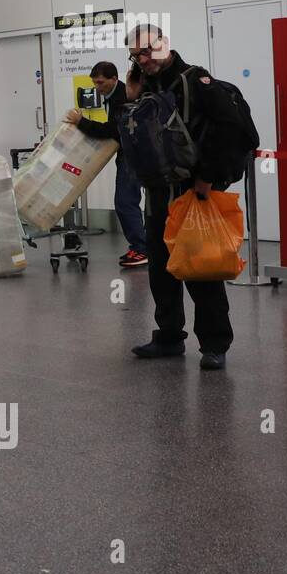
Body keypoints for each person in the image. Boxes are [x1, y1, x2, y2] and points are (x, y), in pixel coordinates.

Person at [124, 25, 241, 370]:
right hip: (160, 194)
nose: (143, 60)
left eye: (148, 51)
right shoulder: (146, 85)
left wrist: (208, 178)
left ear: (165, 44)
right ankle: (170, 336)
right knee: (162, 268)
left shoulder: (196, 81)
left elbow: (230, 129)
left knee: (200, 269)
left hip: (193, 190)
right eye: (136, 55)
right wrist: (131, 98)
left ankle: (215, 344)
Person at [63, 61, 148, 267]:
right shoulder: (112, 96)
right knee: (127, 201)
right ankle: (141, 246)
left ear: (114, 79)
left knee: (125, 202)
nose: (98, 88)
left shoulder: (121, 96)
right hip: (130, 153)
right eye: (95, 84)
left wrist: (81, 122)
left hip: (133, 154)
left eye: (101, 83)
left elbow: (112, 130)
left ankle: (141, 249)